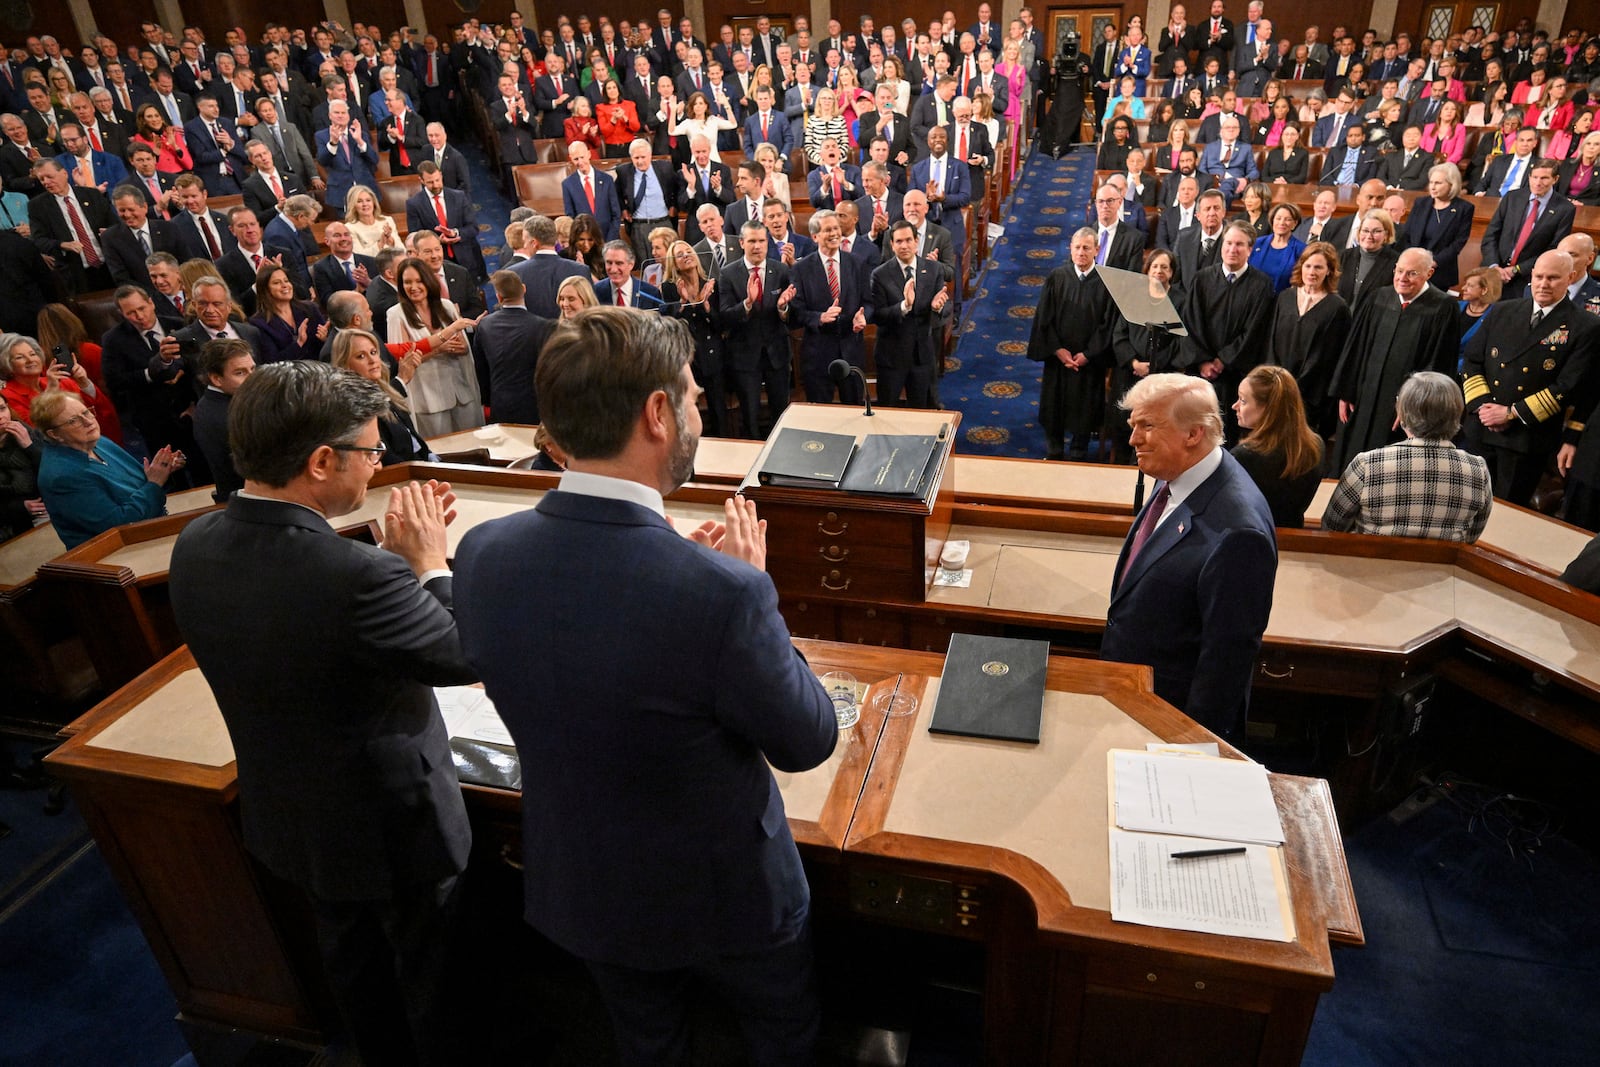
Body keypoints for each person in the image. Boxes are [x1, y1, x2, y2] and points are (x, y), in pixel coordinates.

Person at [451, 308, 836, 1067]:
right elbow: (807, 739)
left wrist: (709, 582)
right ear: (657, 413)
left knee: (648, 1045)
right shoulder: (724, 593)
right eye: (690, 396)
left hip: (585, 881)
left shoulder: (482, 552)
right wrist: (752, 589)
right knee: (781, 1037)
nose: (697, 410)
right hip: (727, 897)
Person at [168, 361, 474, 1067]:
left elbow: (306, 634)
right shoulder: (357, 575)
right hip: (395, 827)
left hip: (293, 816)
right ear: (321, 459)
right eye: (372, 450)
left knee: (357, 969)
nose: (378, 464)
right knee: (435, 980)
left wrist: (391, 568)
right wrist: (429, 566)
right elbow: (460, 654)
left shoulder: (194, 543)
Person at [1101, 373, 1277, 740]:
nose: (1133, 439)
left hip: (1171, 720)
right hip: (1135, 699)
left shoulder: (1238, 533)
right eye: (1134, 425)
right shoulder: (1176, 473)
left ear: (1194, 434)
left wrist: (1191, 746)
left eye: (1147, 426)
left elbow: (1225, 663)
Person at [1462, 250, 1600, 506]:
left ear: (1570, 278)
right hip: (1480, 428)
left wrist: (1510, 413)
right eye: (1538, 277)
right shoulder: (1503, 310)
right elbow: (1472, 360)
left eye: (1553, 278)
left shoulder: (1585, 325)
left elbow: (1568, 386)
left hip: (1525, 438)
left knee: (1504, 515)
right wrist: (1482, 406)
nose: (1543, 284)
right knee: (1463, 505)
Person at [1328, 248, 1461, 471]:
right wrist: (1346, 390)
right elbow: (1355, 346)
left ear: (1428, 273)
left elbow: (1437, 365)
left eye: (1412, 273)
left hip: (1402, 408)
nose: (1402, 278)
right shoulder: (1378, 297)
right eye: (1399, 271)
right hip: (1362, 397)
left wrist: (1413, 406)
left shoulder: (1443, 308)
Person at [1322, 371, 1492, 541]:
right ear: (1457, 414)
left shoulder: (1368, 465)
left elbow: (1331, 527)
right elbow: (1471, 537)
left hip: (1371, 565)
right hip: (1442, 567)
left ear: (1401, 411)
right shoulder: (1478, 470)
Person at [31, 388, 181, 547]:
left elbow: (142, 482)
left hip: (152, 528)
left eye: (86, 412)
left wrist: (162, 468)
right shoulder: (62, 477)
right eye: (73, 420)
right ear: (55, 434)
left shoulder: (98, 441)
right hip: (118, 552)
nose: (88, 422)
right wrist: (154, 483)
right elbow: (118, 524)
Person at [1179, 221, 1275, 437]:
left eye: (1240, 245)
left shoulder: (1262, 286)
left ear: (1250, 250)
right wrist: (1203, 361)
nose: (1233, 249)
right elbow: (1191, 323)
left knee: (1226, 436)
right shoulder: (1202, 279)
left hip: (1235, 376)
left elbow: (1255, 331)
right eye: (1229, 243)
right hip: (1200, 374)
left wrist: (1223, 361)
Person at [1029, 228, 1113, 460]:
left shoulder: (1106, 282)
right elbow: (1044, 317)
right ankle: (1054, 449)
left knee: (1085, 410)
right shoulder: (1057, 277)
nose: (1081, 252)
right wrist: (1058, 350)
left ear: (1097, 249)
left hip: (1089, 361)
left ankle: (1079, 451)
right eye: (1077, 247)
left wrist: (1088, 354)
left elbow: (1108, 324)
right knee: (1054, 405)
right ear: (1070, 248)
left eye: (1087, 248)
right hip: (1059, 360)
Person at [388, 255, 480, 436]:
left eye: (419, 281)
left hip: (461, 393)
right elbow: (403, 359)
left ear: (429, 281)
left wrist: (460, 348)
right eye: (407, 282)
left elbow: (463, 347)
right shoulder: (395, 315)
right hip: (428, 400)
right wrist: (439, 349)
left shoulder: (447, 306)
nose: (413, 287)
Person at [718, 220, 795, 438]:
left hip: (777, 354)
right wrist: (747, 304)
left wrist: (783, 308)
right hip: (745, 356)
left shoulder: (780, 270)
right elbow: (724, 315)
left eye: (761, 241)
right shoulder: (728, 273)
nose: (757, 246)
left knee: (781, 413)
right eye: (752, 241)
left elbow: (792, 315)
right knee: (749, 414)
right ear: (742, 243)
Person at [1264, 243, 1350, 436]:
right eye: (1308, 266)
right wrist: (1276, 379)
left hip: (1310, 395)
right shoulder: (1285, 297)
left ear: (1329, 271)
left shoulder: (1337, 308)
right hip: (1276, 387)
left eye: (1319, 267)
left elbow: (1330, 356)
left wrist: (1297, 386)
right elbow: (1271, 341)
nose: (1312, 272)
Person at [1231, 365, 1323, 527]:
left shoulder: (1243, 456)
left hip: (1253, 539)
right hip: (1293, 540)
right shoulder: (1315, 446)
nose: (1235, 406)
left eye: (1243, 400)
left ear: (1268, 409)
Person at [331, 328, 435, 464]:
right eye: (361, 356)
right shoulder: (355, 407)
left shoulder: (385, 390)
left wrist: (429, 456)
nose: (372, 360)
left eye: (373, 352)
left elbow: (412, 437)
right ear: (345, 365)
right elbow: (385, 458)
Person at [1479, 157, 1577, 301]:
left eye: (1544, 178)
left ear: (1555, 179)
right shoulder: (1512, 197)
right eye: (1535, 177)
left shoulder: (1564, 209)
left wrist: (1516, 270)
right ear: (1529, 177)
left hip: (1527, 278)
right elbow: (1491, 235)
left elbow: (1554, 249)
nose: (1538, 183)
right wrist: (1494, 266)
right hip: (1493, 271)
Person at [660, 240, 726, 436]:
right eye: (680, 255)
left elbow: (720, 324)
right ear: (674, 264)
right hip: (688, 358)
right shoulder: (669, 288)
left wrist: (705, 306)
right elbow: (671, 326)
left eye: (688, 251)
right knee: (689, 410)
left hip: (714, 353)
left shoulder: (711, 283)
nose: (686, 256)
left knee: (719, 409)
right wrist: (683, 303)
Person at [1, 332, 115, 434]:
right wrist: (51, 393)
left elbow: (104, 413)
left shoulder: (62, 380)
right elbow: (37, 432)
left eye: (33, 354)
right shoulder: (7, 397)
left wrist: (84, 383)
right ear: (6, 365)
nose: (30, 360)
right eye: (20, 357)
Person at [189, 337, 254, 499]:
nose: (252, 378)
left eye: (252, 369)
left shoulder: (214, 402)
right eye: (240, 373)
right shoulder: (228, 416)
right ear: (216, 379)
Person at [1401, 164, 1474, 291]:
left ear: (1452, 184)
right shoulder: (1421, 203)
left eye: (1438, 183)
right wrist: (1413, 259)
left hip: (1440, 271)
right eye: (1431, 182)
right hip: (1412, 268)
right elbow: (1407, 234)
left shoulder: (1464, 208)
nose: (1432, 187)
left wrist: (1433, 262)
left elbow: (1458, 243)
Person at [250, 263, 327, 364]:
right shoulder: (259, 323)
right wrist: (299, 343)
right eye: (276, 283)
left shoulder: (310, 309)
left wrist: (324, 339)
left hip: (320, 369)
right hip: (288, 376)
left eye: (286, 281)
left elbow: (326, 347)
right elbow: (271, 363)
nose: (284, 285)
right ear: (266, 289)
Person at [1339, 209, 1400, 312]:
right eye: (1365, 230)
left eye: (1376, 231)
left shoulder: (1395, 262)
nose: (1369, 236)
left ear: (1386, 234)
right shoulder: (1344, 256)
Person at [0, 398, 44, 540]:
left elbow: (54, 471)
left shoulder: (28, 433)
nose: (1, 416)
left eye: (2, 409)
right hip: (11, 529)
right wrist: (20, 507)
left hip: (48, 510)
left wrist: (29, 446)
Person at [1248, 203, 1305, 293]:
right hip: (1252, 296)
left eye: (1288, 220)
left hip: (1281, 301)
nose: (1282, 223)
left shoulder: (1301, 250)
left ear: (1294, 224)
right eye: (1278, 218)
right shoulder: (1257, 243)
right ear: (1272, 220)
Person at [345, 185, 401, 258]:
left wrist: (391, 240)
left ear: (374, 203)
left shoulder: (387, 220)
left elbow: (402, 250)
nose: (365, 204)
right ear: (353, 206)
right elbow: (359, 257)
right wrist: (380, 244)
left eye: (368, 200)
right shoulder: (349, 228)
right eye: (359, 201)